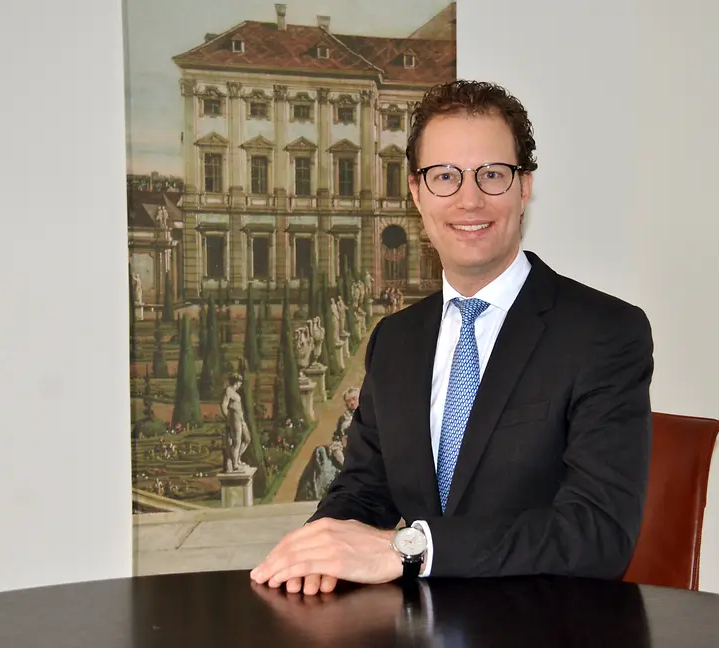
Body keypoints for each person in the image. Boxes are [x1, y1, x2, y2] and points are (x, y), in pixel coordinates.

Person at [251, 79, 654, 596]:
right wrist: (317, 548)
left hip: (546, 623)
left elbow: (598, 534)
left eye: (492, 174)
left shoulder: (604, 333)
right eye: (445, 176)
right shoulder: (395, 340)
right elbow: (365, 490)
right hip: (413, 624)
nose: (469, 200)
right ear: (416, 193)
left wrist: (411, 547)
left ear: (524, 188)